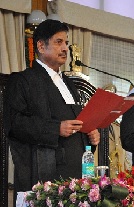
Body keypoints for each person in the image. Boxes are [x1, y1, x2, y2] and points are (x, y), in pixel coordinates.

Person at [4, 19, 100, 197]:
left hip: (76, 181)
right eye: (59, 42)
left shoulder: (70, 85)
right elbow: (15, 124)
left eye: (66, 43)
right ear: (41, 46)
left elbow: (77, 124)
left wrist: (90, 135)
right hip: (42, 180)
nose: (65, 48)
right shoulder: (22, 81)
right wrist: (55, 128)